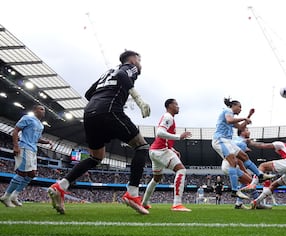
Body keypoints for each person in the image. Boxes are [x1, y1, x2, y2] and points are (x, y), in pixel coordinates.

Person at [47, 50, 151, 215]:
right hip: (109, 110)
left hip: (90, 112)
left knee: (96, 157)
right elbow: (124, 76)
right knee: (142, 147)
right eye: (139, 59)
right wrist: (139, 100)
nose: (140, 64)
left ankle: (61, 186)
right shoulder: (130, 67)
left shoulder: (107, 73)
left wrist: (102, 100)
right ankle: (132, 194)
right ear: (132, 60)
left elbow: (89, 93)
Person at [211, 97, 271, 199]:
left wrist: (249, 116)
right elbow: (230, 120)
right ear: (233, 106)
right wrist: (244, 118)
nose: (240, 109)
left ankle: (260, 175)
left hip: (227, 141)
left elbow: (240, 128)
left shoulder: (231, 115)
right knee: (234, 162)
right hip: (220, 140)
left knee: (244, 156)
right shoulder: (228, 111)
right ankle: (235, 191)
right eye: (239, 107)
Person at [141, 99, 192, 212]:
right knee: (181, 170)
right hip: (160, 151)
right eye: (176, 104)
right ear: (170, 106)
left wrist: (172, 149)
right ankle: (177, 204)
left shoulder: (168, 118)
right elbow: (159, 132)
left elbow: (162, 138)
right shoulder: (168, 117)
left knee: (156, 178)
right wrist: (179, 137)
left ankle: (144, 203)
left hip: (154, 151)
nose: (178, 107)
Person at [0, 104, 52, 207]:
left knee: (32, 174)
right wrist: (15, 146)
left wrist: (46, 142)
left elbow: (37, 139)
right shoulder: (27, 118)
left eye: (44, 110)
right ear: (35, 110)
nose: (43, 111)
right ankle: (6, 196)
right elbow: (15, 131)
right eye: (41, 109)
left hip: (33, 150)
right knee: (22, 173)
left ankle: (15, 196)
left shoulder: (41, 125)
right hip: (24, 147)